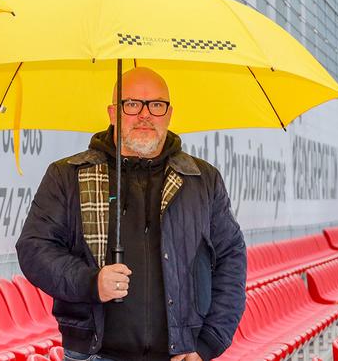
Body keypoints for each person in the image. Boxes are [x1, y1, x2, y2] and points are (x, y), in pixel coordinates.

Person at [16, 67, 246, 361]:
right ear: (113, 113)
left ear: (170, 113)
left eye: (157, 105)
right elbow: (34, 249)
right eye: (132, 104)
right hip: (93, 353)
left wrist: (209, 343)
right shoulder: (68, 175)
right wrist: (90, 281)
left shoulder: (201, 179)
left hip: (181, 355)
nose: (145, 115)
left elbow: (231, 257)